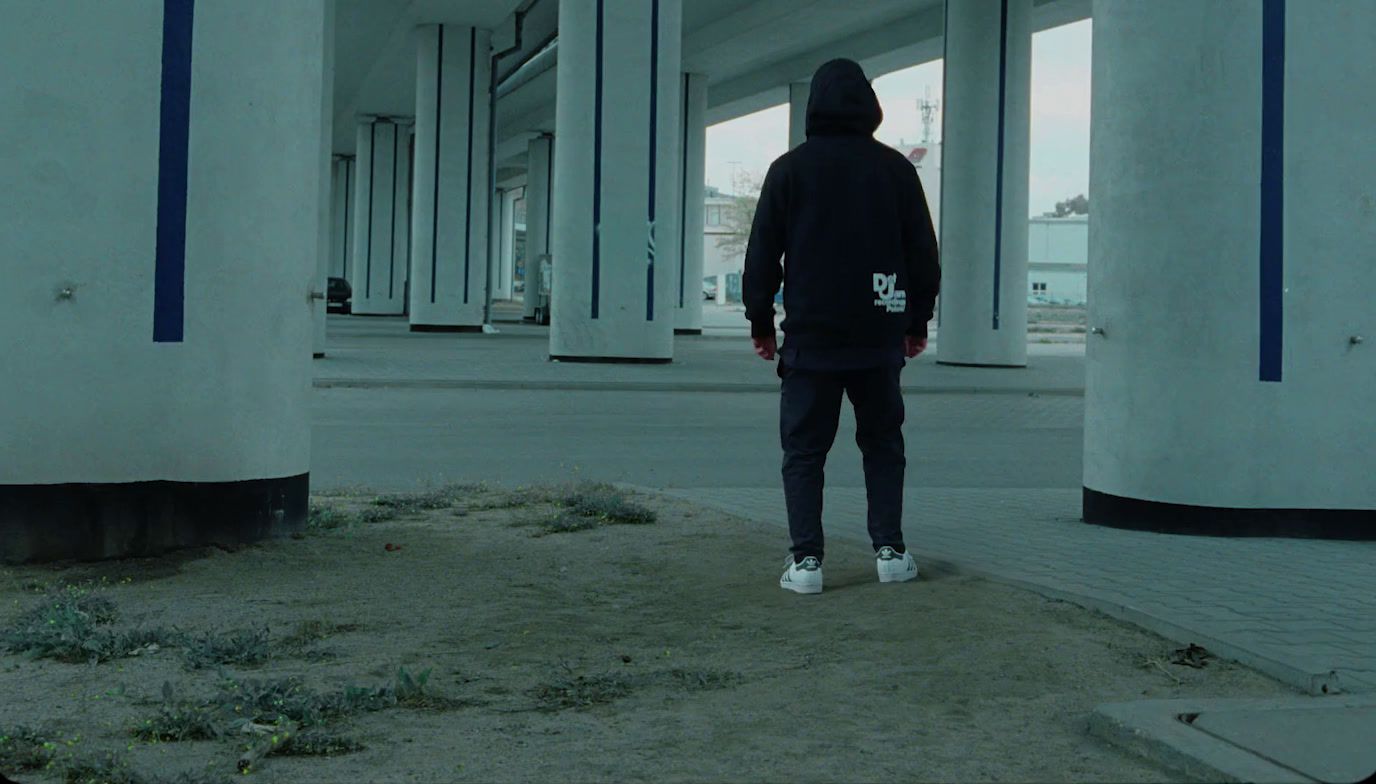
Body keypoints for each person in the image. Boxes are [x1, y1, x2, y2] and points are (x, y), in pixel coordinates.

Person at [742, 58, 941, 595]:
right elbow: (924, 253)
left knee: (804, 451)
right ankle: (891, 553)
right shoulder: (896, 170)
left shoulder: (789, 170)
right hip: (878, 340)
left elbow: (762, 255)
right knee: (882, 445)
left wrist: (761, 322)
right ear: (869, 106)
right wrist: (915, 319)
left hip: (811, 342)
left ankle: (806, 563)